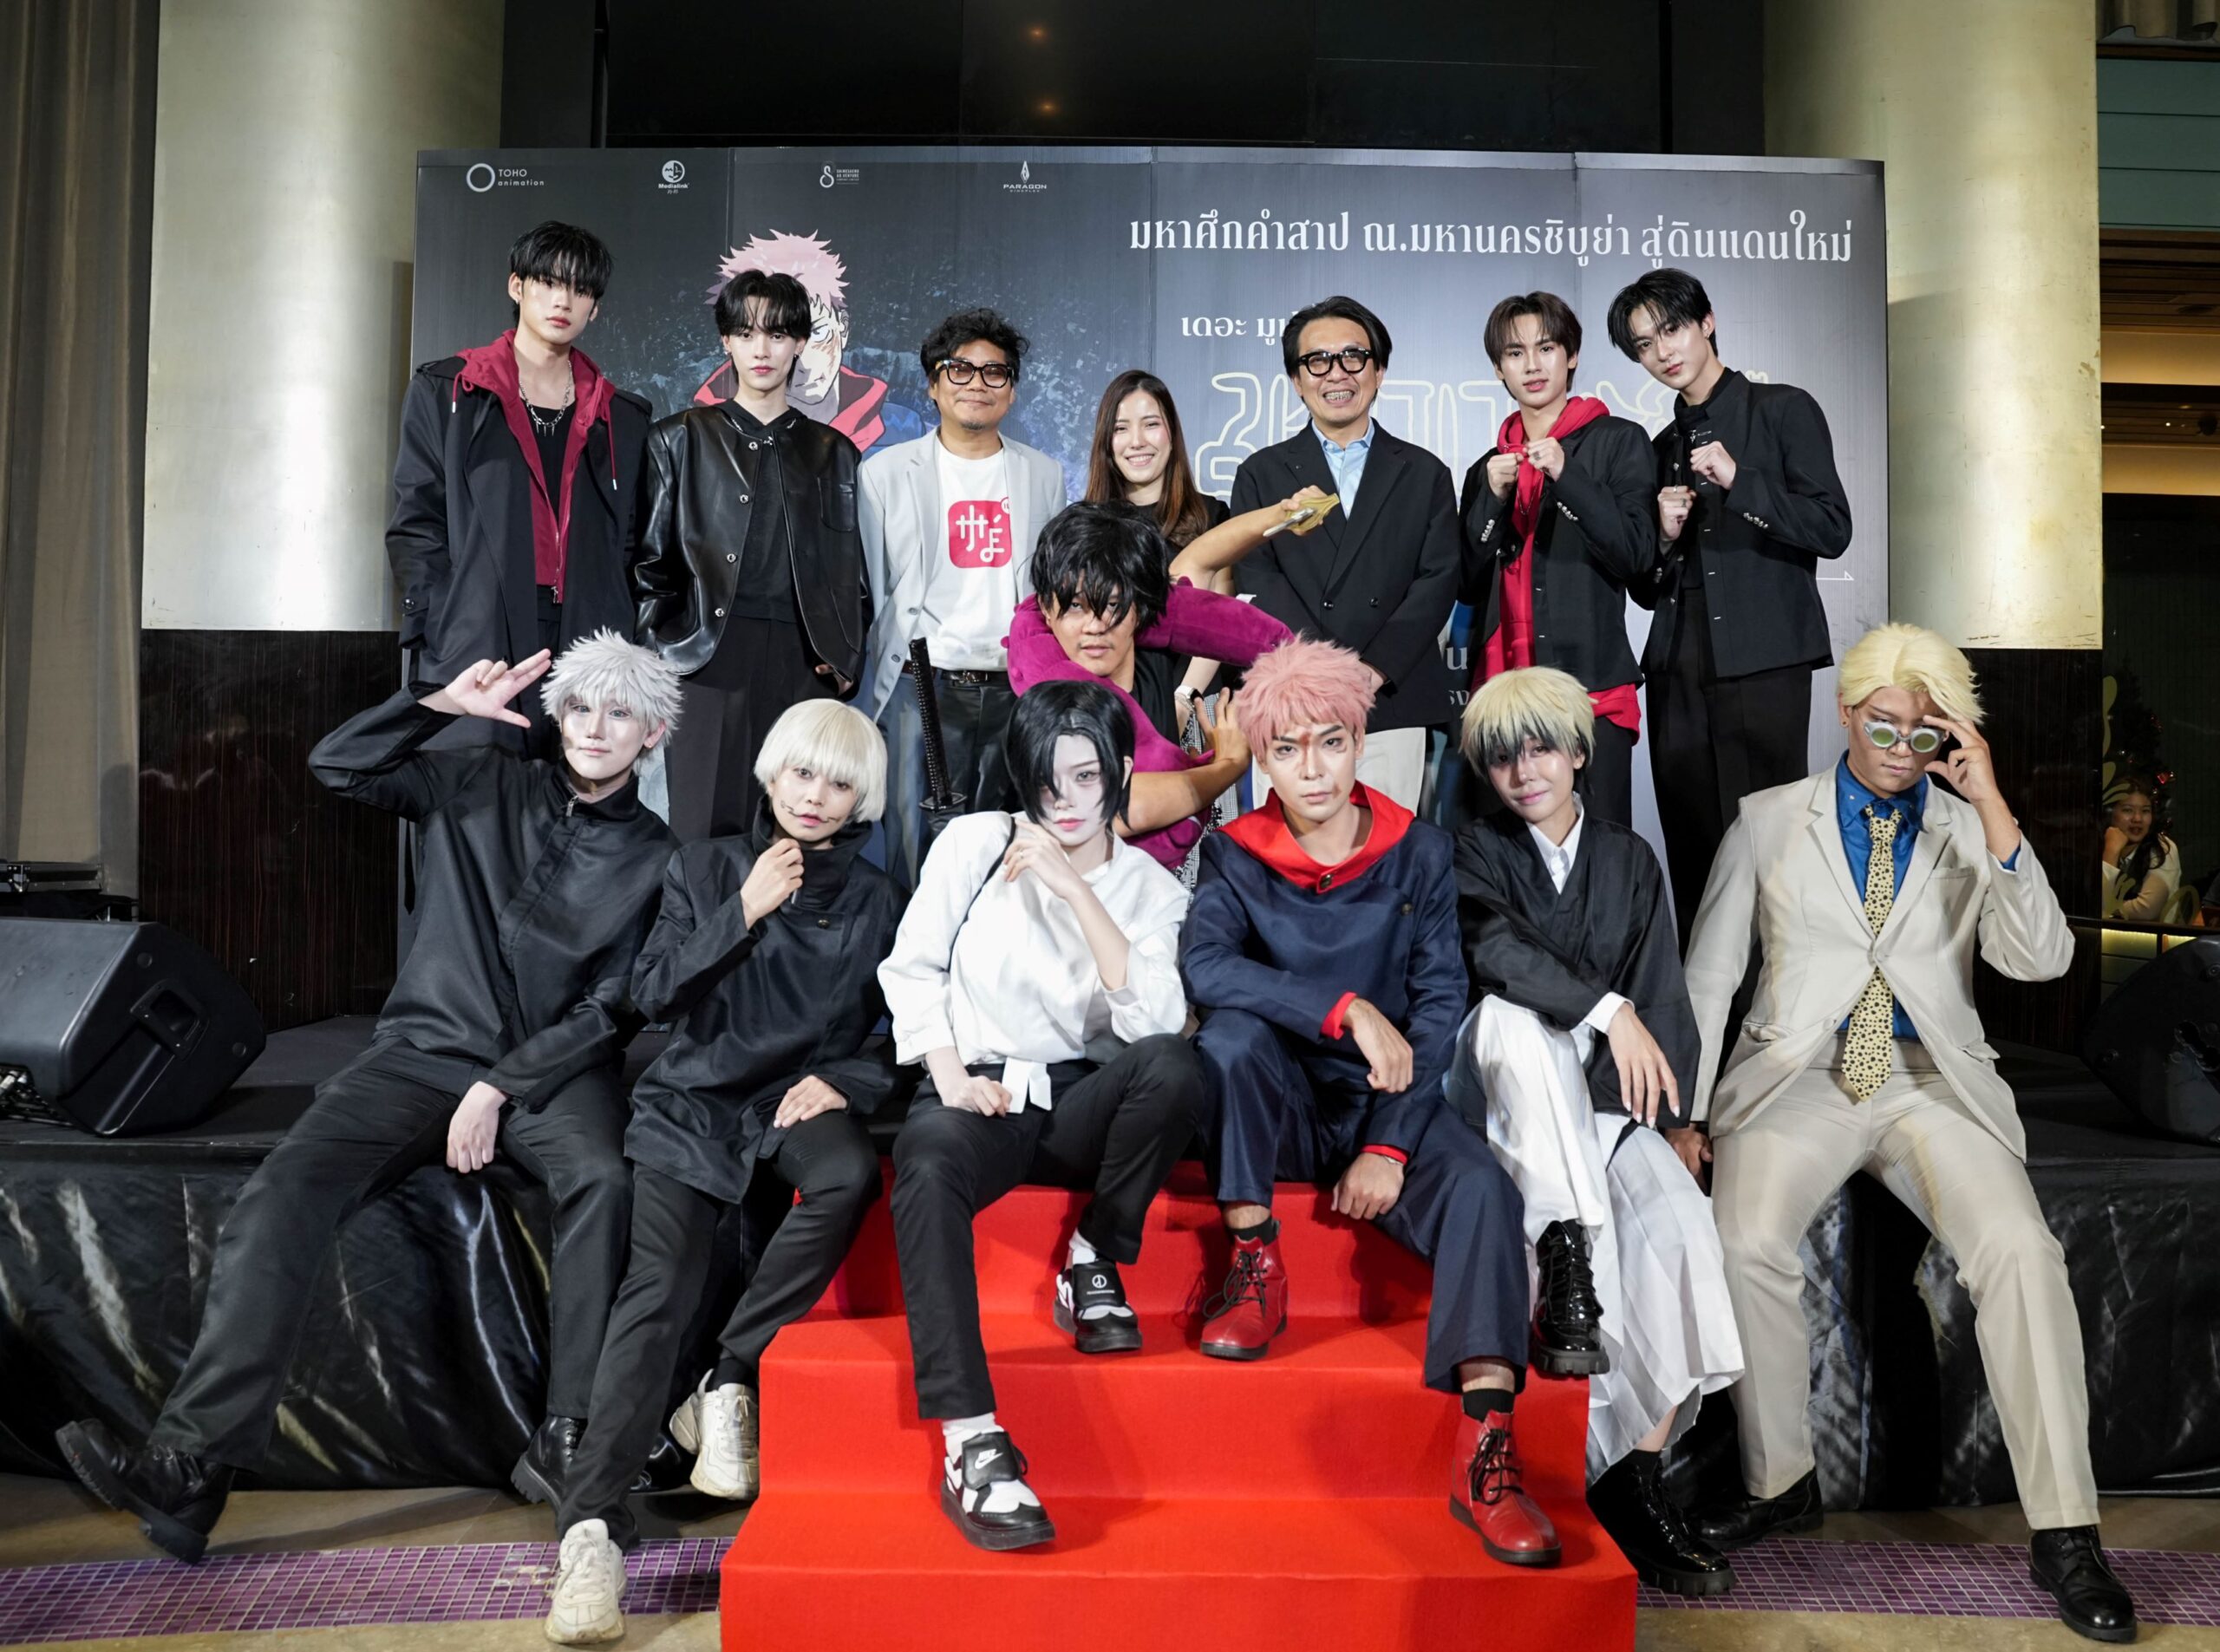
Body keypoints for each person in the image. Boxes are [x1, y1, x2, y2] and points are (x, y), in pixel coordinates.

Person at [56, 634, 681, 1564]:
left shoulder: (658, 856)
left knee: (604, 1180)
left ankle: (569, 1440)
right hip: (421, 1052)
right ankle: (191, 1466)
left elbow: (613, 1008)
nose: (595, 728)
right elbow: (339, 766)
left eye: (620, 713)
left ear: (653, 734)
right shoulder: (476, 783)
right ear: (556, 717)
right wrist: (440, 706)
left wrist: (502, 1085)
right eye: (580, 707)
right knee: (281, 1192)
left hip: (550, 1072)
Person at [1681, 624, 2135, 1644]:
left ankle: (2066, 1530)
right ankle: (1779, 1479)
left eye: (1922, 732)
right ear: (1845, 715)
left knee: (2021, 1251)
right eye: (1881, 724)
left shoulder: (1968, 826)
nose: (1898, 746)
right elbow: (1708, 978)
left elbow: (2039, 961)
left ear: (1949, 735)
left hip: (1929, 1081)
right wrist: (1688, 1114)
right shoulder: (1766, 821)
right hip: (1798, 1078)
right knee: (1744, 1239)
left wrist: (1992, 806)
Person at [1179, 637, 1559, 1568]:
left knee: (1485, 1192)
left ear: (1359, 742)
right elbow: (1207, 967)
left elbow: (1438, 1005)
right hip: (1282, 1105)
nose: (1312, 769)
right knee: (1227, 1037)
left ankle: (1486, 1445)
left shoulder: (1418, 850)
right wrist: (1344, 1008)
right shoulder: (1232, 853)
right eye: (1287, 750)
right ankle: (1255, 1262)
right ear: (1262, 759)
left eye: (1331, 743)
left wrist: (1388, 1147)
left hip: (1389, 1101)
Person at [545, 700, 901, 1645]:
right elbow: (653, 996)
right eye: (801, 774)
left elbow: (901, 1024)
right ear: (770, 774)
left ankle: (730, 1372)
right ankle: (590, 1532)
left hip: (792, 1098)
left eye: (838, 783)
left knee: (846, 1175)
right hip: (692, 1102)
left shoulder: (877, 896)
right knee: (657, 1295)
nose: (814, 796)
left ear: (863, 797)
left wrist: (846, 1077)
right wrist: (743, 909)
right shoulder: (703, 867)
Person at [879, 680, 1205, 1551]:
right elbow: (912, 968)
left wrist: (1075, 890)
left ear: (1120, 772)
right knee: (927, 1165)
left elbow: (1153, 1022)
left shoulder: (1153, 890)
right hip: (978, 1089)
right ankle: (971, 1441)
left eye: (1086, 778)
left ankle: (1093, 1253)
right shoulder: (976, 842)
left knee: (1175, 1066)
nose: (1063, 802)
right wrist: (950, 1076)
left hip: (1079, 1102)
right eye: (1045, 781)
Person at [1449, 666, 1740, 1596]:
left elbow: (1660, 994)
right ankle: (1568, 1248)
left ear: (1579, 752)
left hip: (1602, 1102)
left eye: (1541, 748)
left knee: (1678, 1225)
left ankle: (1634, 1476)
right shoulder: (1468, 850)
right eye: (1503, 758)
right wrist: (1607, 1010)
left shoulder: (1629, 858)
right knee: (1515, 1020)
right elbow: (1493, 953)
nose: (1523, 772)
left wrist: (1677, 1121)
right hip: (1499, 1094)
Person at [1605, 268, 1852, 942]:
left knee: (1770, 851)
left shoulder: (1783, 409)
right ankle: (1703, 1003)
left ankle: (1775, 999)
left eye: (1672, 329)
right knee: (1694, 854)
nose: (1663, 351)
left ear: (1706, 322)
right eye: (1644, 344)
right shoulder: (1659, 448)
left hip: (1764, 661)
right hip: (1677, 667)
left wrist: (1741, 480)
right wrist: (1662, 535)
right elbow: (1645, 586)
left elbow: (1832, 529)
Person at [388, 222, 653, 747]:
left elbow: (631, 540)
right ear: (517, 286)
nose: (563, 301)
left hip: (588, 636)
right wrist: (441, 618)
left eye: (580, 290)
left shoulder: (622, 416)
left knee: (577, 780)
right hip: (478, 631)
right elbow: (417, 520)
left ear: (595, 309)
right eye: (549, 283)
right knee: (477, 781)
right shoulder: (449, 391)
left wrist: (620, 625)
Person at [635, 267, 870, 840]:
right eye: (746, 333)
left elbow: (850, 576)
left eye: (777, 334)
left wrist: (843, 662)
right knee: (699, 830)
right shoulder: (678, 438)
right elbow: (649, 568)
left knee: (795, 832)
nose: (761, 350)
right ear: (726, 340)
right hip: (704, 660)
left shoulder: (834, 452)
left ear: (799, 342)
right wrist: (658, 657)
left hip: (803, 660)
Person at [860, 308, 1068, 889]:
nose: (977, 383)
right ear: (933, 384)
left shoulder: (1043, 475)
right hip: (921, 688)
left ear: (1012, 390)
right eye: (959, 369)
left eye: (994, 372)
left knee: (1006, 857)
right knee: (912, 857)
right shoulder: (885, 473)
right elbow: (873, 586)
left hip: (1014, 688)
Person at [1228, 297, 1461, 812]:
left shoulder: (1424, 473)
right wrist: (1322, 673)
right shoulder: (1260, 474)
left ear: (1378, 371)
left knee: (1384, 850)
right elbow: (1256, 577)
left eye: (1353, 357)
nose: (1337, 373)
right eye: (1318, 361)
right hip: (1293, 700)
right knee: (1289, 852)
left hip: (1389, 700)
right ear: (1296, 380)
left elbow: (1438, 580)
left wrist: (1373, 670)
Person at [1003, 500, 1290, 871]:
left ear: (1139, 608)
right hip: (1068, 886)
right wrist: (1228, 765)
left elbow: (1201, 559)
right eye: (1075, 606)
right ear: (1045, 608)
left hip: (1159, 885)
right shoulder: (1045, 702)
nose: (1095, 627)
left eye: (1112, 605)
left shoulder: (1151, 653)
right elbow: (1123, 808)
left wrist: (1282, 513)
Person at [1460, 293, 1659, 827]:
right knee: (1506, 858)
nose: (1532, 365)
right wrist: (1491, 500)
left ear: (1571, 355)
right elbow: (1468, 583)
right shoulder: (1488, 468)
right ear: (1498, 368)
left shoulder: (1619, 441)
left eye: (1546, 348)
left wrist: (1568, 477)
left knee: (1601, 849)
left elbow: (1636, 556)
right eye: (1515, 353)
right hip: (1501, 694)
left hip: (1590, 689)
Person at [691, 230, 923, 455]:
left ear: (842, 327)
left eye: (816, 332)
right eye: (747, 334)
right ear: (728, 340)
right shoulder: (691, 436)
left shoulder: (903, 428)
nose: (802, 358)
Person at [1083, 369, 1233, 696]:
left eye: (1150, 424)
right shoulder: (1082, 526)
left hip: (1195, 700)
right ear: (1107, 441)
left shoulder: (1212, 516)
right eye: (1121, 428)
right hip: (1110, 703)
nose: (1137, 441)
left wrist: (1183, 698)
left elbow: (1221, 620)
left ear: (1172, 432)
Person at [2102, 774, 2183, 923]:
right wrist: (2111, 852)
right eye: (2128, 810)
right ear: (2110, 813)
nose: (2137, 819)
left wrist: (2105, 909)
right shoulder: (2101, 843)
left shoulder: (2162, 847)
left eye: (2145, 811)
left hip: (2155, 937)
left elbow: (2147, 909)